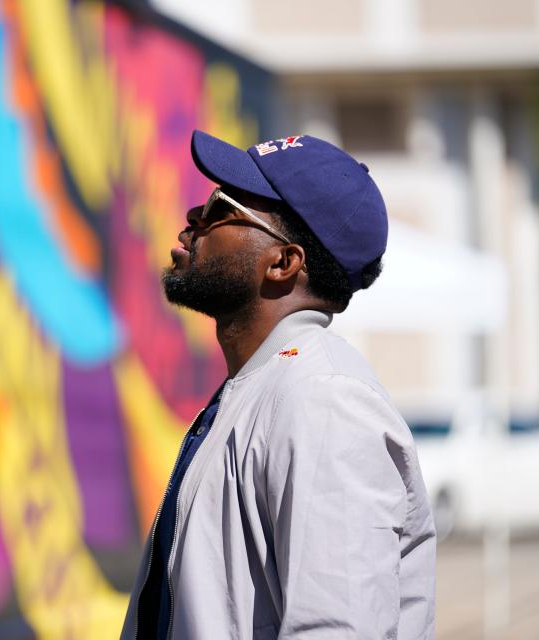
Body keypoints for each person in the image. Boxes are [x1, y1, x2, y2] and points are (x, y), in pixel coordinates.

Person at [120, 130, 436, 639]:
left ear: (283, 263)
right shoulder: (266, 386)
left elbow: (337, 630)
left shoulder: (325, 401)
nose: (193, 219)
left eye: (220, 207)